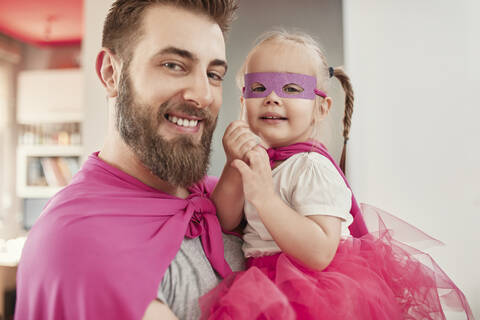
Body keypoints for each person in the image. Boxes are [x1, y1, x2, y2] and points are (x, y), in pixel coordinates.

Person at [199, 30, 474, 320]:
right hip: (262, 283)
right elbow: (224, 221)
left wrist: (266, 199)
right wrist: (233, 164)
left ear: (321, 108)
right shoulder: (260, 162)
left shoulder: (311, 167)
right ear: (243, 103)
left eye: (291, 89)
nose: (272, 97)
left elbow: (319, 253)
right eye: (258, 88)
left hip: (313, 288)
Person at [14, 1, 243, 319]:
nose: (203, 94)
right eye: (174, 65)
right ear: (111, 73)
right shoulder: (83, 247)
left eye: (214, 74)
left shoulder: (222, 198)